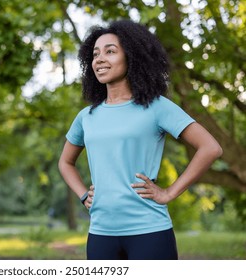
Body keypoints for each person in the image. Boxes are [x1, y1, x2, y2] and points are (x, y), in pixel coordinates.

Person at [58, 19, 223, 260]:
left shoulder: (157, 107)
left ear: (132, 57)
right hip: (100, 233)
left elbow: (210, 148)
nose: (100, 59)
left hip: (150, 232)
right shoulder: (86, 117)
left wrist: (169, 193)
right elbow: (65, 163)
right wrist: (84, 195)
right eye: (95, 54)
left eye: (110, 51)